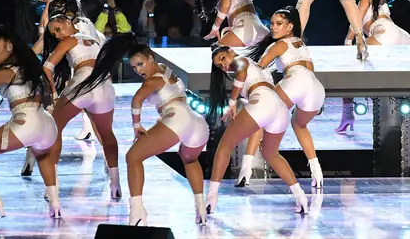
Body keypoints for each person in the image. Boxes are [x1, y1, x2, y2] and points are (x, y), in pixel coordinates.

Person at [70, 34, 210, 226]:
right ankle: (201, 209)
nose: (138, 70)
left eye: (141, 64)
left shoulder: (151, 81)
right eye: (134, 67)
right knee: (190, 159)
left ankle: (137, 212)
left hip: (178, 118)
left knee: (133, 157)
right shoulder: (165, 70)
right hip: (198, 124)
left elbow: (136, 100)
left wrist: (137, 126)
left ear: (150, 58)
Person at [206, 46, 308, 214]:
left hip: (262, 99)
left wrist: (232, 103)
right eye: (219, 65)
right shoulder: (257, 66)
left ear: (231, 52)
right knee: (271, 154)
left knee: (224, 146)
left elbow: (241, 74)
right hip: (279, 108)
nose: (223, 66)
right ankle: (300, 196)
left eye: (223, 58)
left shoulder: (240, 60)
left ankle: (211, 198)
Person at [40, 13, 120, 217]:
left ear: (68, 22)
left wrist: (55, 93)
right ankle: (116, 183)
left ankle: (52, 187)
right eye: (54, 33)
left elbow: (47, 67)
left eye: (58, 28)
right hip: (104, 86)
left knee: (53, 129)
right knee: (106, 133)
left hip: (83, 82)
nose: (58, 35)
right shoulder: (96, 39)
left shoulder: (70, 40)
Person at [238, 6, 326, 188]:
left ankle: (245, 169)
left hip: (297, 80)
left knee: (261, 118)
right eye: (272, 23)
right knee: (299, 125)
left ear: (290, 26)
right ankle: (316, 171)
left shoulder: (278, 45)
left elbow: (259, 67)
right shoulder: (301, 44)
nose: (273, 27)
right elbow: (308, 72)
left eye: (279, 24)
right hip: (317, 89)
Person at [337, 0, 410, 133]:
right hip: (403, 37)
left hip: (385, 34)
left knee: (346, 71)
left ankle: (347, 114)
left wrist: (347, 42)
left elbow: (356, 21)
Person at [0, 25, 57, 218]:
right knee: (42, 156)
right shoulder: (30, 67)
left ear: (9, 46)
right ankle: (55, 204)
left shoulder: (4, 73)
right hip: (47, 123)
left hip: (26, 122)